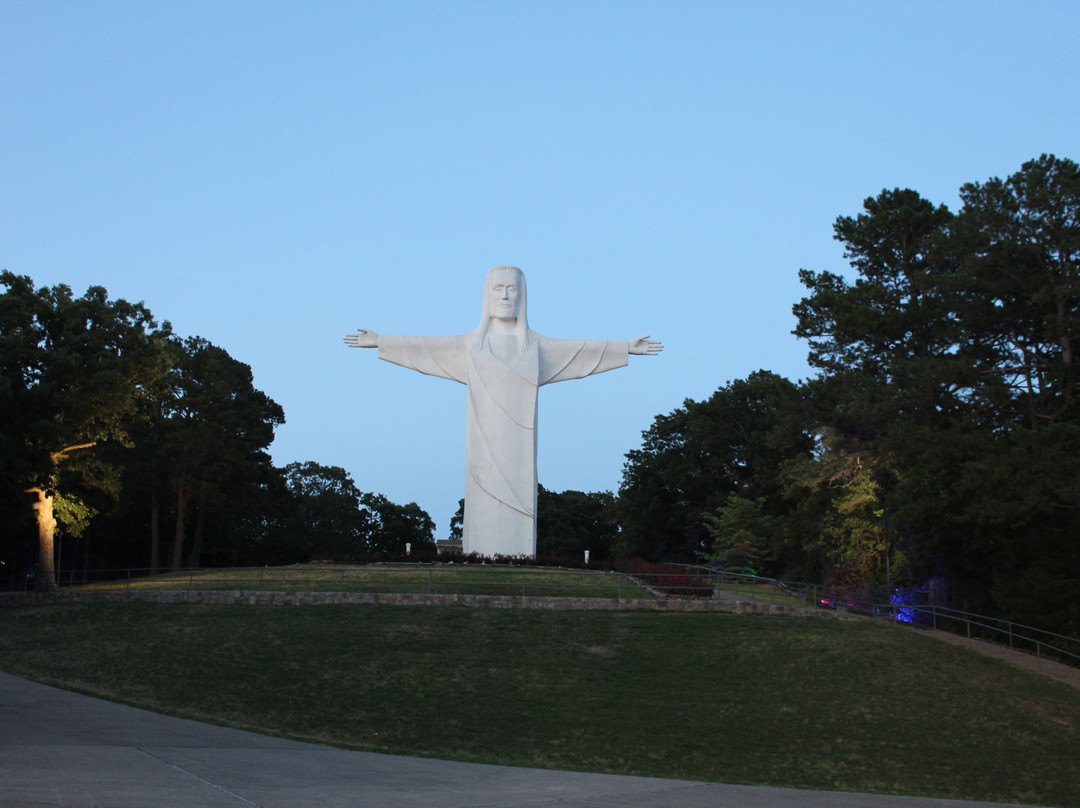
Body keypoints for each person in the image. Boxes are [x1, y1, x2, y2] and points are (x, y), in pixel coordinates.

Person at [344, 266, 661, 557]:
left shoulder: (535, 347)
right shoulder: (470, 345)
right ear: (487, 296)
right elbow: (426, 347)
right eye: (498, 289)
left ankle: (518, 554)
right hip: (482, 448)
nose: (506, 295)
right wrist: (380, 342)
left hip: (520, 452)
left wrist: (625, 349)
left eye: (512, 289)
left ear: (523, 297)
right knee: (482, 497)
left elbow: (581, 351)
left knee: (520, 503)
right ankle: (479, 553)